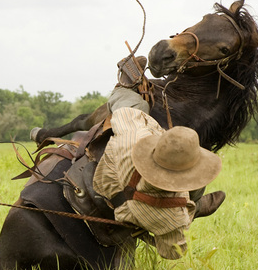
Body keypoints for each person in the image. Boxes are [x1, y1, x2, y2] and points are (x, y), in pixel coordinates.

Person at [93, 107, 225, 260]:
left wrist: (158, 133)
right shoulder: (174, 219)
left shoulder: (131, 137)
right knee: (195, 196)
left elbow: (124, 112)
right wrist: (185, 216)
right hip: (128, 212)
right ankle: (196, 208)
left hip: (106, 182)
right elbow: (173, 253)